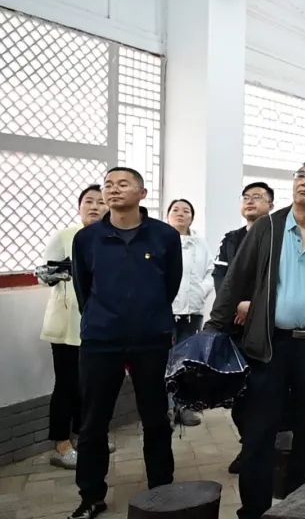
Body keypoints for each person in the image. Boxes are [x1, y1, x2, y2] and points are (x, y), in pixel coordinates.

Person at [204, 157, 305, 519]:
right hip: (269, 345)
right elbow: (235, 281)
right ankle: (254, 511)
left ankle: (299, 509)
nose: (304, 181)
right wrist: (213, 331)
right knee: (259, 433)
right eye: (300, 176)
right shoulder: (268, 228)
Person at [70, 167, 182, 519]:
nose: (113, 189)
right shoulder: (87, 239)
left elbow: (171, 284)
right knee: (93, 422)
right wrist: (103, 319)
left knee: (155, 418)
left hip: (151, 339)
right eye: (108, 184)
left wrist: (148, 315)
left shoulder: (164, 235)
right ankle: (91, 495)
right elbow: (83, 288)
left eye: (122, 184)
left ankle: (162, 489)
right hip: (101, 340)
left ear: (142, 193)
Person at [38, 185, 107, 470]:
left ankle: (84, 437)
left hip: (99, 324)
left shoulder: (111, 238)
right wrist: (63, 270)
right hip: (67, 324)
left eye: (100, 202)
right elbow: (43, 276)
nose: (94, 206)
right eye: (88, 201)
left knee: (90, 385)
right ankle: (62, 444)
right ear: (79, 208)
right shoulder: (65, 236)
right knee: (66, 384)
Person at [213, 181, 275, 474]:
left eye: (258, 197)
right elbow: (222, 278)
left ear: (271, 205)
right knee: (239, 393)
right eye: (246, 197)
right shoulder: (231, 239)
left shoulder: (278, 236)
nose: (250, 201)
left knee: (266, 392)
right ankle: (248, 445)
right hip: (236, 328)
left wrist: (254, 305)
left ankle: (268, 447)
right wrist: (236, 304)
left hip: (268, 327)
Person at [165, 198, 214, 427]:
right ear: (168, 216)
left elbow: (210, 272)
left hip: (192, 312)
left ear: (192, 218)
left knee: (187, 362)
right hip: (165, 312)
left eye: (186, 211)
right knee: (165, 361)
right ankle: (166, 408)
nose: (180, 213)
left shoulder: (200, 244)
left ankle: (184, 407)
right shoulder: (161, 240)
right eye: (175, 210)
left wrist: (200, 292)